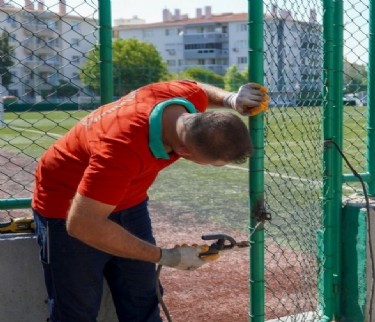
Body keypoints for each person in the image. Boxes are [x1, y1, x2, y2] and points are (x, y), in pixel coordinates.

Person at [31, 80, 269, 322]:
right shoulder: (120, 149)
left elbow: (198, 88)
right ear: (183, 152)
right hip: (68, 205)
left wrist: (230, 99)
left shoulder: (182, 99)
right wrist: (167, 257)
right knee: (76, 310)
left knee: (142, 298)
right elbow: (83, 225)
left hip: (127, 200)